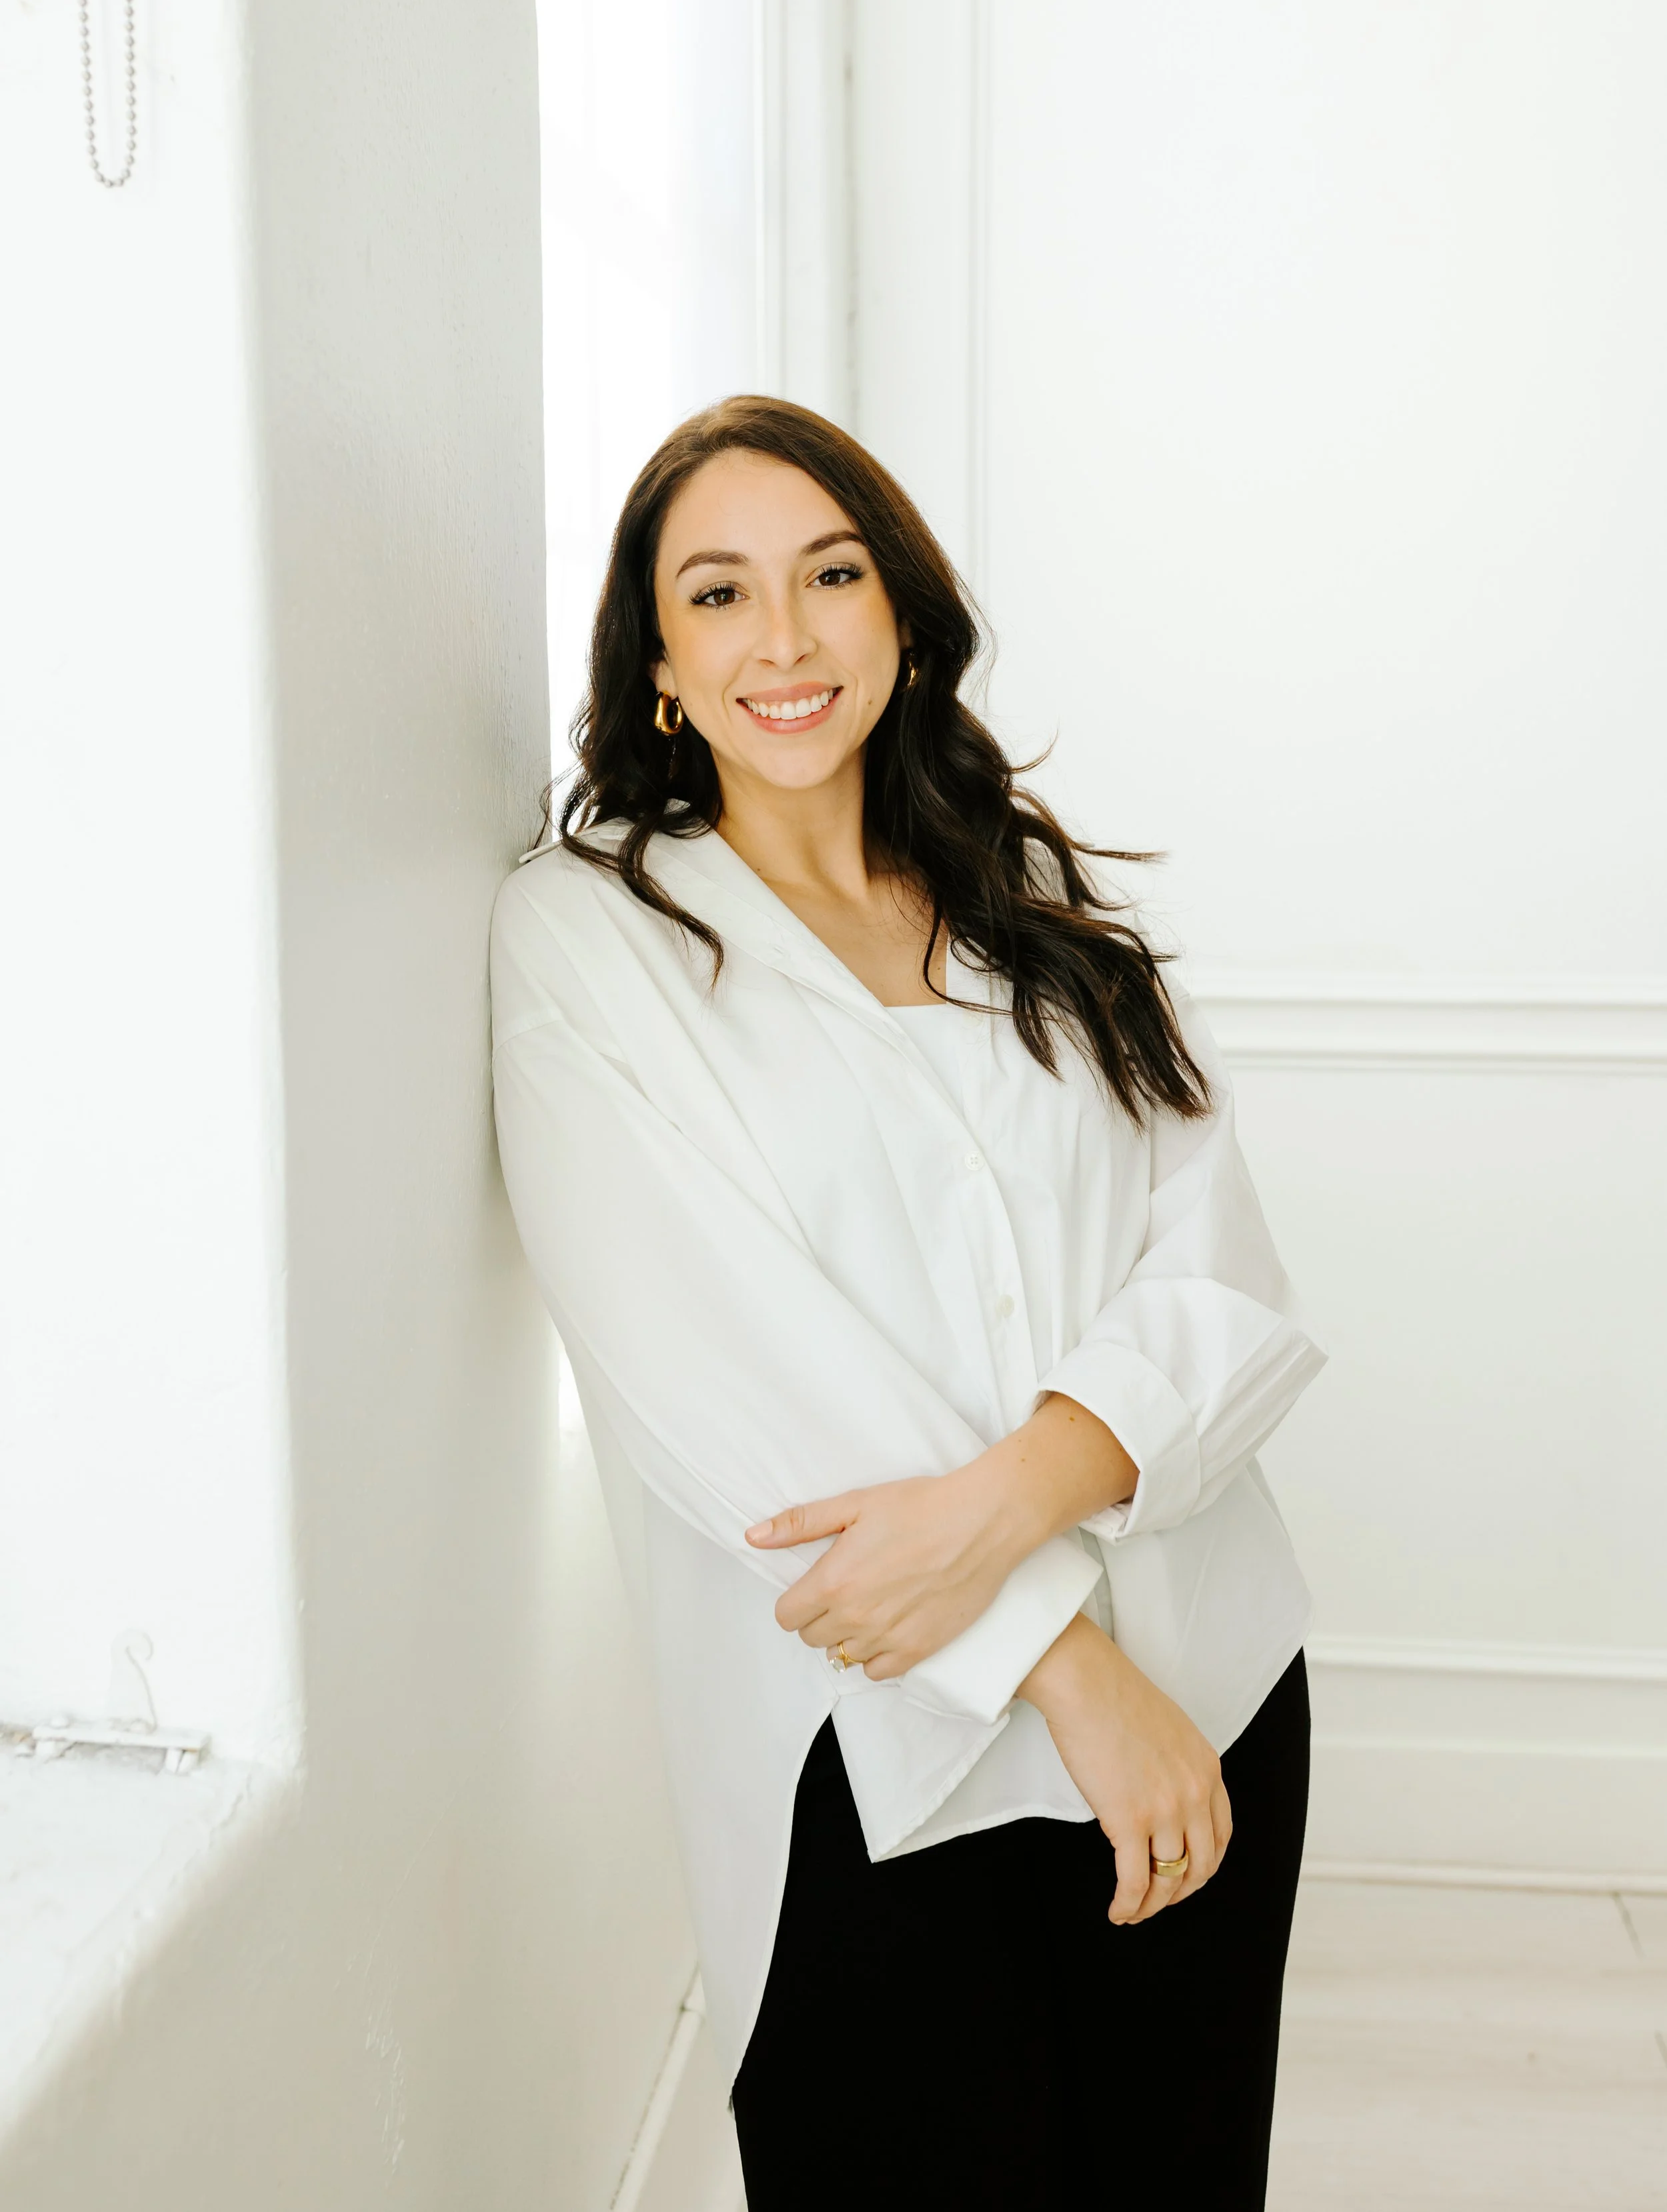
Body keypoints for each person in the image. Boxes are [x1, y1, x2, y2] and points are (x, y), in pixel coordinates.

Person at [490, 395, 1325, 2208]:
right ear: (654, 664)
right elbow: (720, 1374)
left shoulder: (1020, 888)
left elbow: (1214, 1248)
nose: (781, 639)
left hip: (1213, 1671)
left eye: (830, 575)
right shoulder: (588, 939)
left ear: (901, 617)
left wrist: (1026, 1491)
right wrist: (1067, 1666)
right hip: (882, 1753)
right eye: (716, 594)